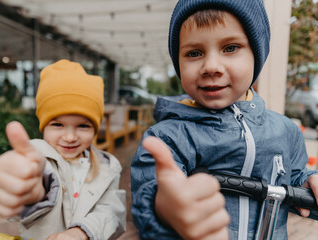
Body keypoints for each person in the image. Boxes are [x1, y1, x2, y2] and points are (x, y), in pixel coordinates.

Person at [130, 0, 318, 239]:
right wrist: (167, 209)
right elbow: (152, 193)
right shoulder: (167, 138)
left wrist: (308, 181)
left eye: (230, 48)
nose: (211, 66)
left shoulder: (286, 130)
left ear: (257, 54)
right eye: (194, 53)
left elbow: (295, 178)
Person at [0, 59, 126, 240]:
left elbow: (112, 211)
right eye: (58, 124)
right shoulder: (36, 159)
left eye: (83, 126)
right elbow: (38, 183)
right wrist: (28, 192)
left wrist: (81, 233)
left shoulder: (107, 167)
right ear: (43, 127)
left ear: (95, 128)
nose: (70, 137)